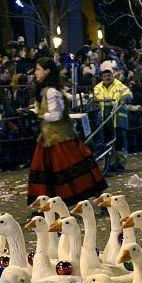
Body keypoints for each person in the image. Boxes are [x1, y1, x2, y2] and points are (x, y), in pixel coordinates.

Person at [27, 57, 107, 205]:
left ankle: (52, 202)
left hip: (59, 137)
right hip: (50, 137)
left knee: (68, 169)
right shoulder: (48, 90)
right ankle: (47, 203)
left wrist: (37, 114)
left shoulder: (51, 91)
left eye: (38, 69)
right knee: (64, 170)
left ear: (47, 71)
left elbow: (56, 115)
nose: (36, 72)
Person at [92, 68, 133, 170]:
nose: (107, 78)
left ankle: (121, 162)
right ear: (102, 78)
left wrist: (124, 99)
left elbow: (129, 94)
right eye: (105, 76)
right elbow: (92, 98)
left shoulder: (119, 85)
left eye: (109, 76)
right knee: (107, 140)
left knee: (120, 139)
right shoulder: (97, 88)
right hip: (103, 116)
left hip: (117, 116)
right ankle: (110, 161)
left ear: (112, 76)